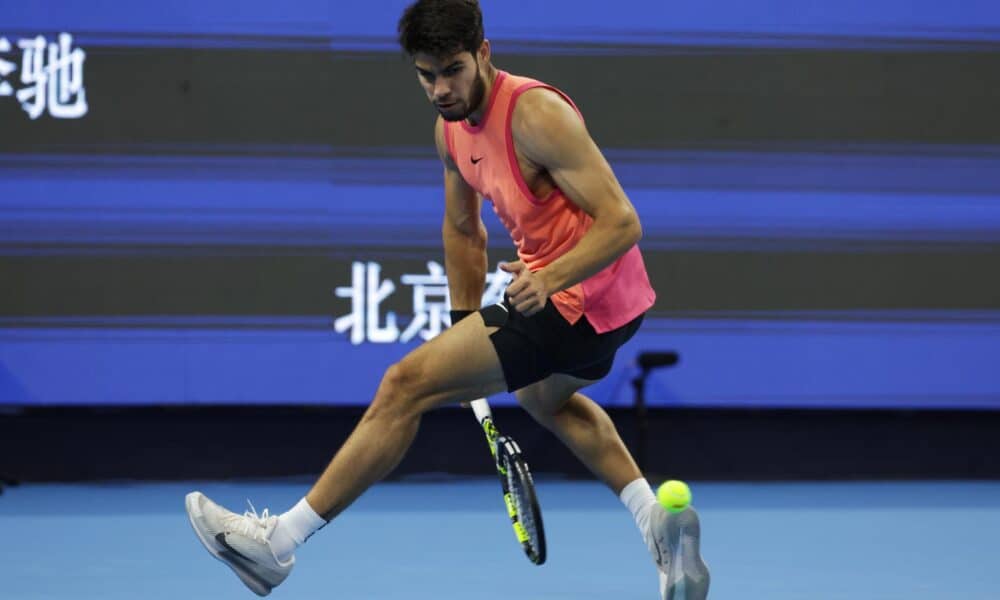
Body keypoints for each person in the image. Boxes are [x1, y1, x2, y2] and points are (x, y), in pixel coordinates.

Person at [184, 1, 709, 598]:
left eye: (452, 70)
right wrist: (464, 326)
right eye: (426, 74)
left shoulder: (536, 115)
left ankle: (277, 545)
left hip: (577, 297)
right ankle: (656, 522)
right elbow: (463, 230)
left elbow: (622, 222)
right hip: (602, 307)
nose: (440, 88)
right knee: (545, 400)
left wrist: (551, 278)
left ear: (484, 52)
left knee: (403, 385)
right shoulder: (449, 130)